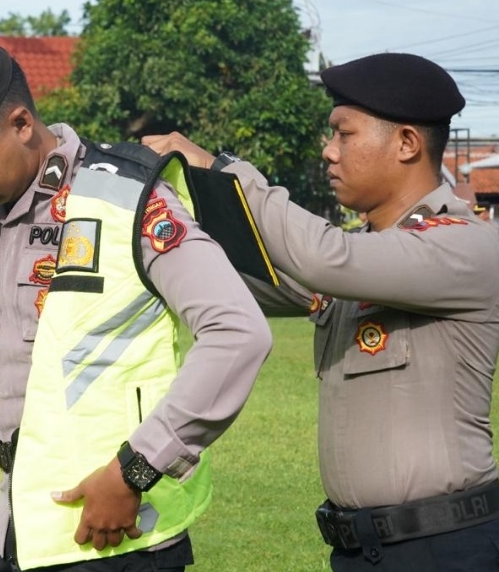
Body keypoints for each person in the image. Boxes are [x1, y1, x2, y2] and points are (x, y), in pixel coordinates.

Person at [0, 25, 272, 571]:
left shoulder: (126, 199)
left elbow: (237, 332)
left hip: (115, 537)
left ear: (22, 123)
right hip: (14, 531)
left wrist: (136, 469)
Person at [143, 52, 499, 572]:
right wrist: (157, 221)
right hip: (360, 551)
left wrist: (221, 172)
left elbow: (324, 256)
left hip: (444, 548)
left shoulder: (462, 244)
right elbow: (246, 281)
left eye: (344, 134)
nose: (329, 151)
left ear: (407, 143)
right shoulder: (366, 256)